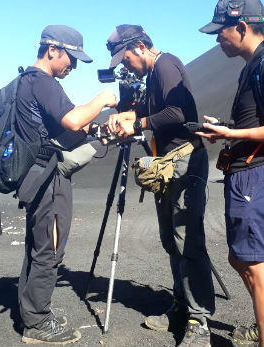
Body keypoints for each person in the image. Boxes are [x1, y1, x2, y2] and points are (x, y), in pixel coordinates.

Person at [197, 0, 264, 347]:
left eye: (221, 31)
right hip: (246, 175)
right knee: (240, 258)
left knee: (258, 268)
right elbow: (260, 122)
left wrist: (233, 133)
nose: (217, 39)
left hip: (257, 178)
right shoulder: (252, 66)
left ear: (240, 26)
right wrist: (226, 129)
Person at [104, 24, 215, 347]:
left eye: (125, 59)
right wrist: (127, 114)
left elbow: (180, 111)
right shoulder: (152, 75)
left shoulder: (166, 65)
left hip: (184, 161)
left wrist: (138, 122)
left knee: (187, 239)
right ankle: (181, 307)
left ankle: (199, 321)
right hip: (166, 163)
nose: (125, 67)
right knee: (171, 239)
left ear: (139, 46)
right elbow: (155, 109)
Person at [15, 25, 117, 344]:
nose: (72, 66)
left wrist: (93, 131)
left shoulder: (27, 82)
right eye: (71, 59)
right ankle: (37, 322)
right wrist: (103, 99)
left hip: (36, 173)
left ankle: (32, 310)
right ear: (52, 50)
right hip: (47, 177)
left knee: (39, 243)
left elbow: (63, 126)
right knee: (50, 247)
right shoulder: (43, 82)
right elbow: (73, 120)